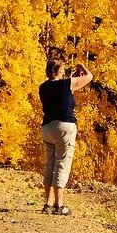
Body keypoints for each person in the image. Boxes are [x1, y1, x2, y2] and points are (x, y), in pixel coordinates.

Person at [39, 56, 93, 215]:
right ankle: (59, 205)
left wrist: (73, 77)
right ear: (59, 70)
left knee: (50, 164)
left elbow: (64, 89)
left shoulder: (43, 87)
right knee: (62, 164)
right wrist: (82, 66)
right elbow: (89, 77)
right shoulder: (65, 84)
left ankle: (47, 204)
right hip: (64, 128)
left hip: (47, 128)